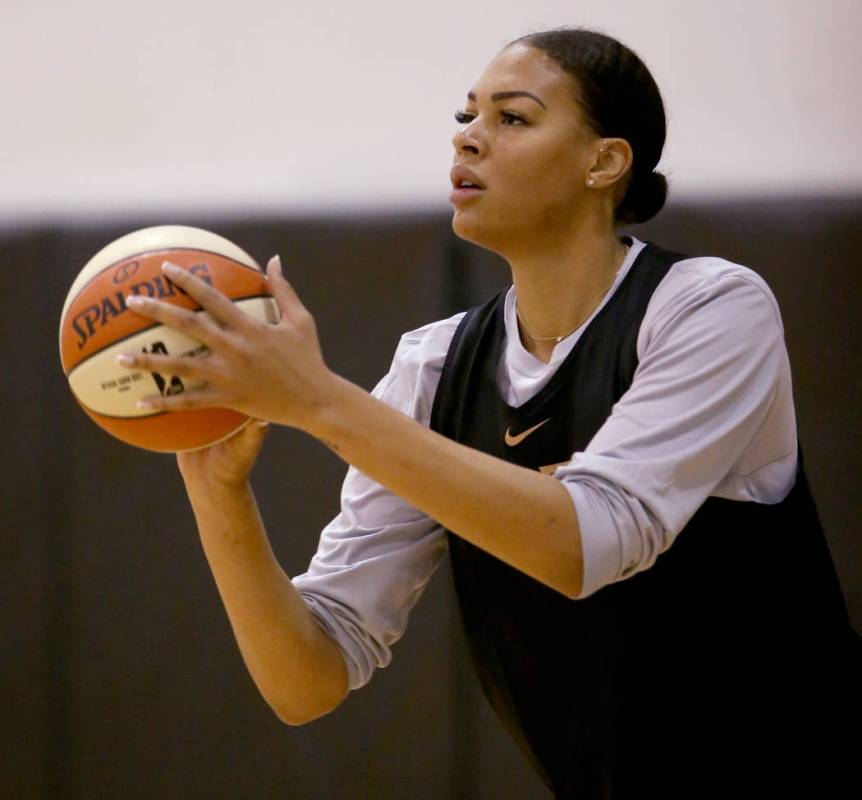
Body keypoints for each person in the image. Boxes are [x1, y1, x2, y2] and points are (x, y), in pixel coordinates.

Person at [118, 27, 860, 799]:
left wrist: (317, 398)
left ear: (603, 162)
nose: (467, 136)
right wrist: (217, 490)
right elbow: (307, 680)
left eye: (511, 118)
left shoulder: (709, 307)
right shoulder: (434, 368)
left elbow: (589, 542)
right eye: (465, 115)